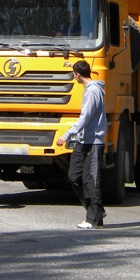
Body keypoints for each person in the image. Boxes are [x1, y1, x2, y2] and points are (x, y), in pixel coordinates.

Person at [58, 59, 107, 229]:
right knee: (74, 176)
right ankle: (96, 210)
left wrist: (67, 134)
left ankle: (94, 219)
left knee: (91, 180)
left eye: (74, 74)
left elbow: (85, 117)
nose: (74, 77)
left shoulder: (93, 91)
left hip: (93, 141)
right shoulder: (89, 90)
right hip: (82, 140)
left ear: (77, 74)